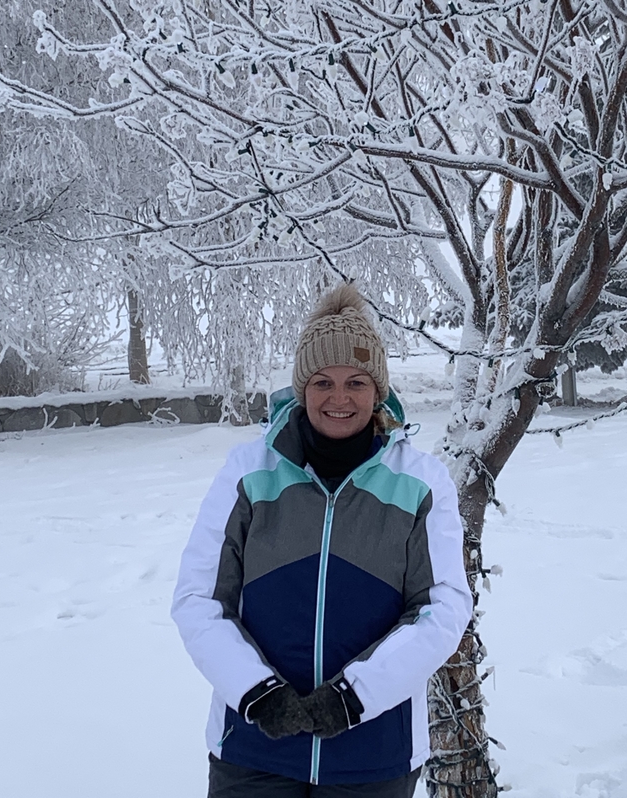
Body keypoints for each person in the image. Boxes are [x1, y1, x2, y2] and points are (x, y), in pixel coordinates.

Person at [172, 285, 472, 796]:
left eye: (356, 381)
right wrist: (257, 694)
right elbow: (200, 599)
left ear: (378, 392)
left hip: (374, 754)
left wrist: (353, 698)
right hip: (254, 751)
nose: (339, 398)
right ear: (301, 388)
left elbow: (442, 608)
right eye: (322, 382)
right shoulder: (249, 474)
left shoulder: (421, 483)